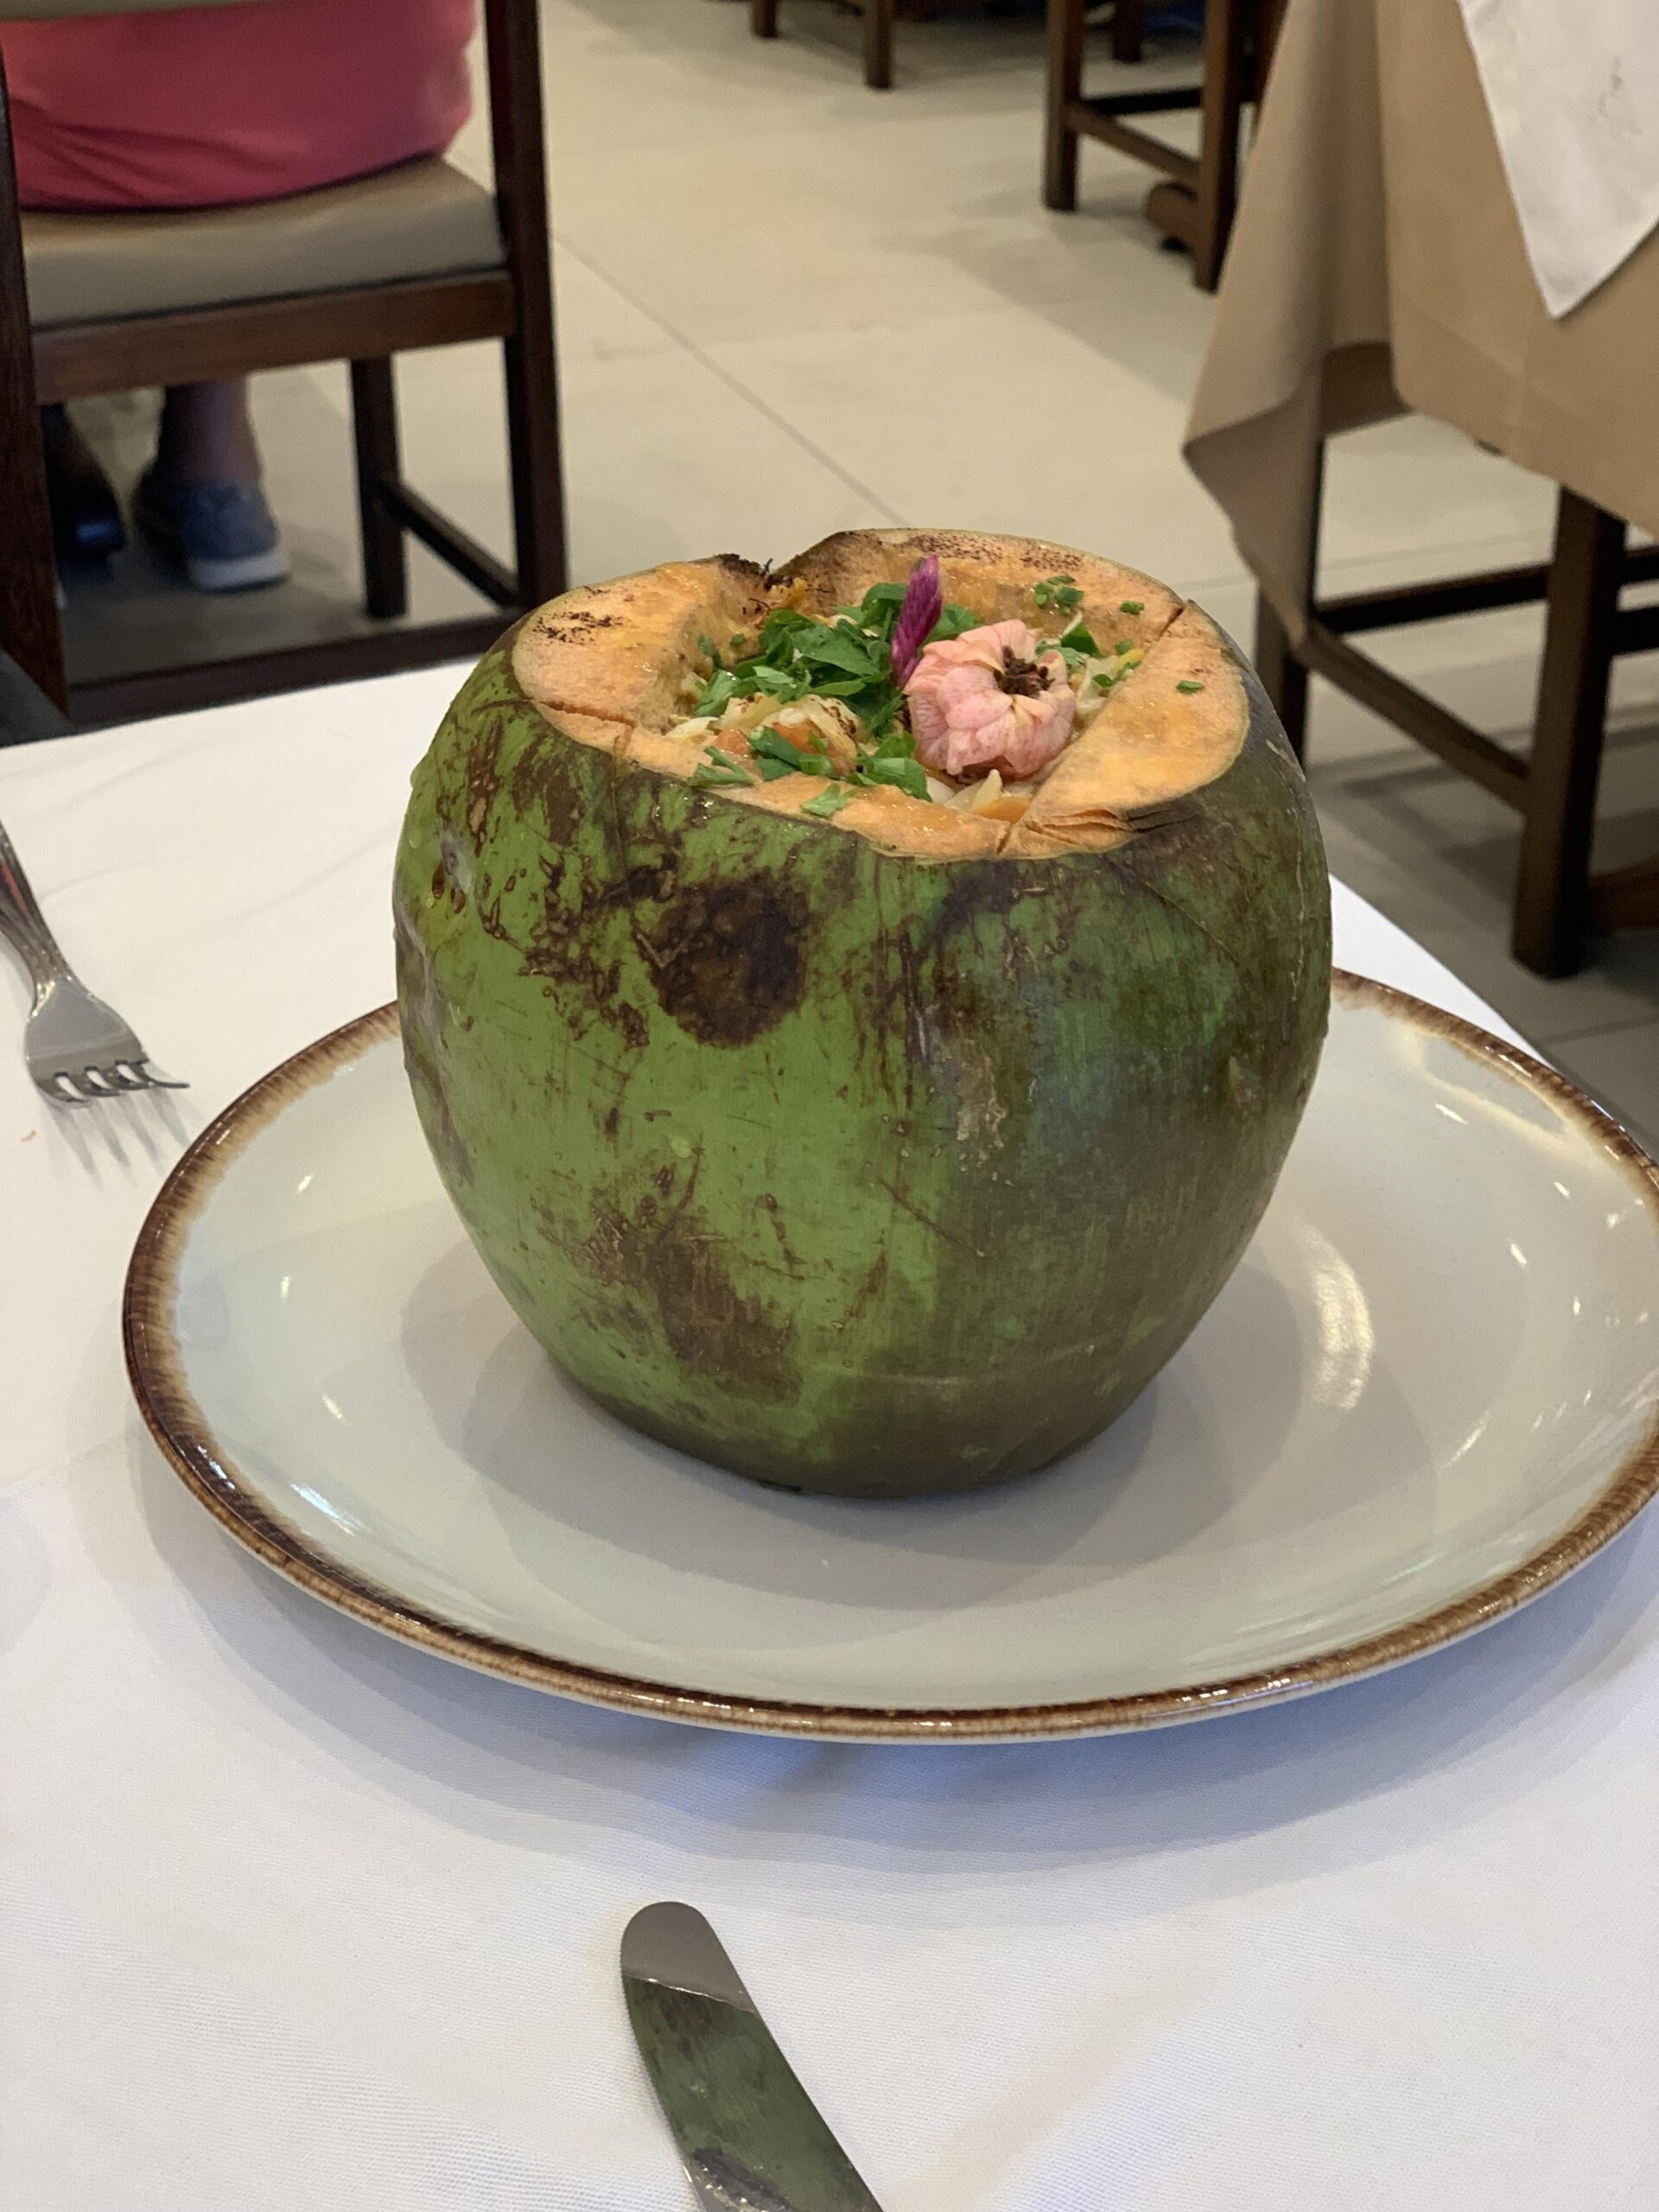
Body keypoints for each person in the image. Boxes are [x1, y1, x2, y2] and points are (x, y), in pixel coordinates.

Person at [3, 0, 476, 590]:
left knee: (157, 91)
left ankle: (22, 471)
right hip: (380, 110)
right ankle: (214, 472)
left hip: (96, 144)